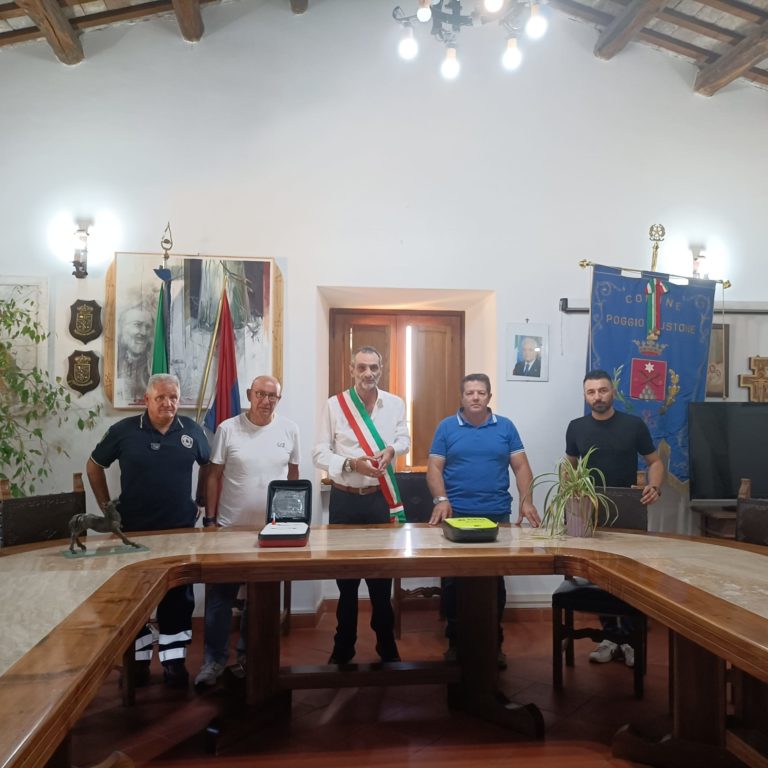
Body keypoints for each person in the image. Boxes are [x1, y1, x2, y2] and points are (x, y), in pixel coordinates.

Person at [87, 373, 210, 687]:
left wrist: (200, 498)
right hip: (134, 532)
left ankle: (174, 663)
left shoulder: (192, 430)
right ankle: (138, 662)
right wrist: (106, 508)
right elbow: (94, 465)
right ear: (147, 400)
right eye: (161, 398)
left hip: (179, 530)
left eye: (173, 397)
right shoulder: (123, 431)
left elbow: (208, 464)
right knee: (134, 600)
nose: (168, 403)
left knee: (178, 599)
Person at [427, 373, 541, 667]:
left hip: (495, 515)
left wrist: (526, 500)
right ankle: (455, 643)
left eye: (481, 392)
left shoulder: (506, 427)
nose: (475, 397)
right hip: (456, 516)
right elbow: (434, 468)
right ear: (462, 397)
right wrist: (441, 500)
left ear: (489, 396)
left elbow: (521, 466)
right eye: (470, 393)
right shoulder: (446, 427)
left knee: (493, 581)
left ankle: (494, 643)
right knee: (453, 582)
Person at [194, 375, 300, 689]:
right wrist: (210, 521)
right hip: (229, 529)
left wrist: (293, 521)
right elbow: (213, 475)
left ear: (279, 399)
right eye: (260, 394)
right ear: (250, 395)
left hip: (273, 531)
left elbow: (293, 476)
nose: (266, 401)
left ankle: (248, 657)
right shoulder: (228, 428)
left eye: (272, 396)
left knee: (260, 599)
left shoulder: (290, 429)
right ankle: (213, 660)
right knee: (220, 599)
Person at [313, 346, 410, 664]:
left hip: (379, 501)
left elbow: (404, 439)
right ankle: (343, 647)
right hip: (345, 501)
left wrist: (391, 451)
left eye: (374, 367)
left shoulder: (395, 404)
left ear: (381, 369)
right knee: (347, 582)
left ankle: (386, 645)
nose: (368, 373)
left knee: (382, 579)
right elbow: (319, 453)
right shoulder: (334, 405)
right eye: (362, 367)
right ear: (351, 369)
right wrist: (352, 464)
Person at [565, 369, 665, 668]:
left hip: (627, 510)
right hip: (590, 510)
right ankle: (609, 637)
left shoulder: (633, 425)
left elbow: (655, 462)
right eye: (591, 392)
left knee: (631, 577)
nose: (598, 396)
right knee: (598, 577)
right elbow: (569, 466)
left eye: (603, 390)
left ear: (613, 392)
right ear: (585, 396)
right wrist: (570, 496)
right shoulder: (576, 427)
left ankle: (631, 639)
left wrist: (654, 486)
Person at [116, 304, 153, 404]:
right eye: (137, 325)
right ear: (122, 327)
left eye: (148, 327)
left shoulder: (153, 364)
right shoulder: (114, 361)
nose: (144, 332)